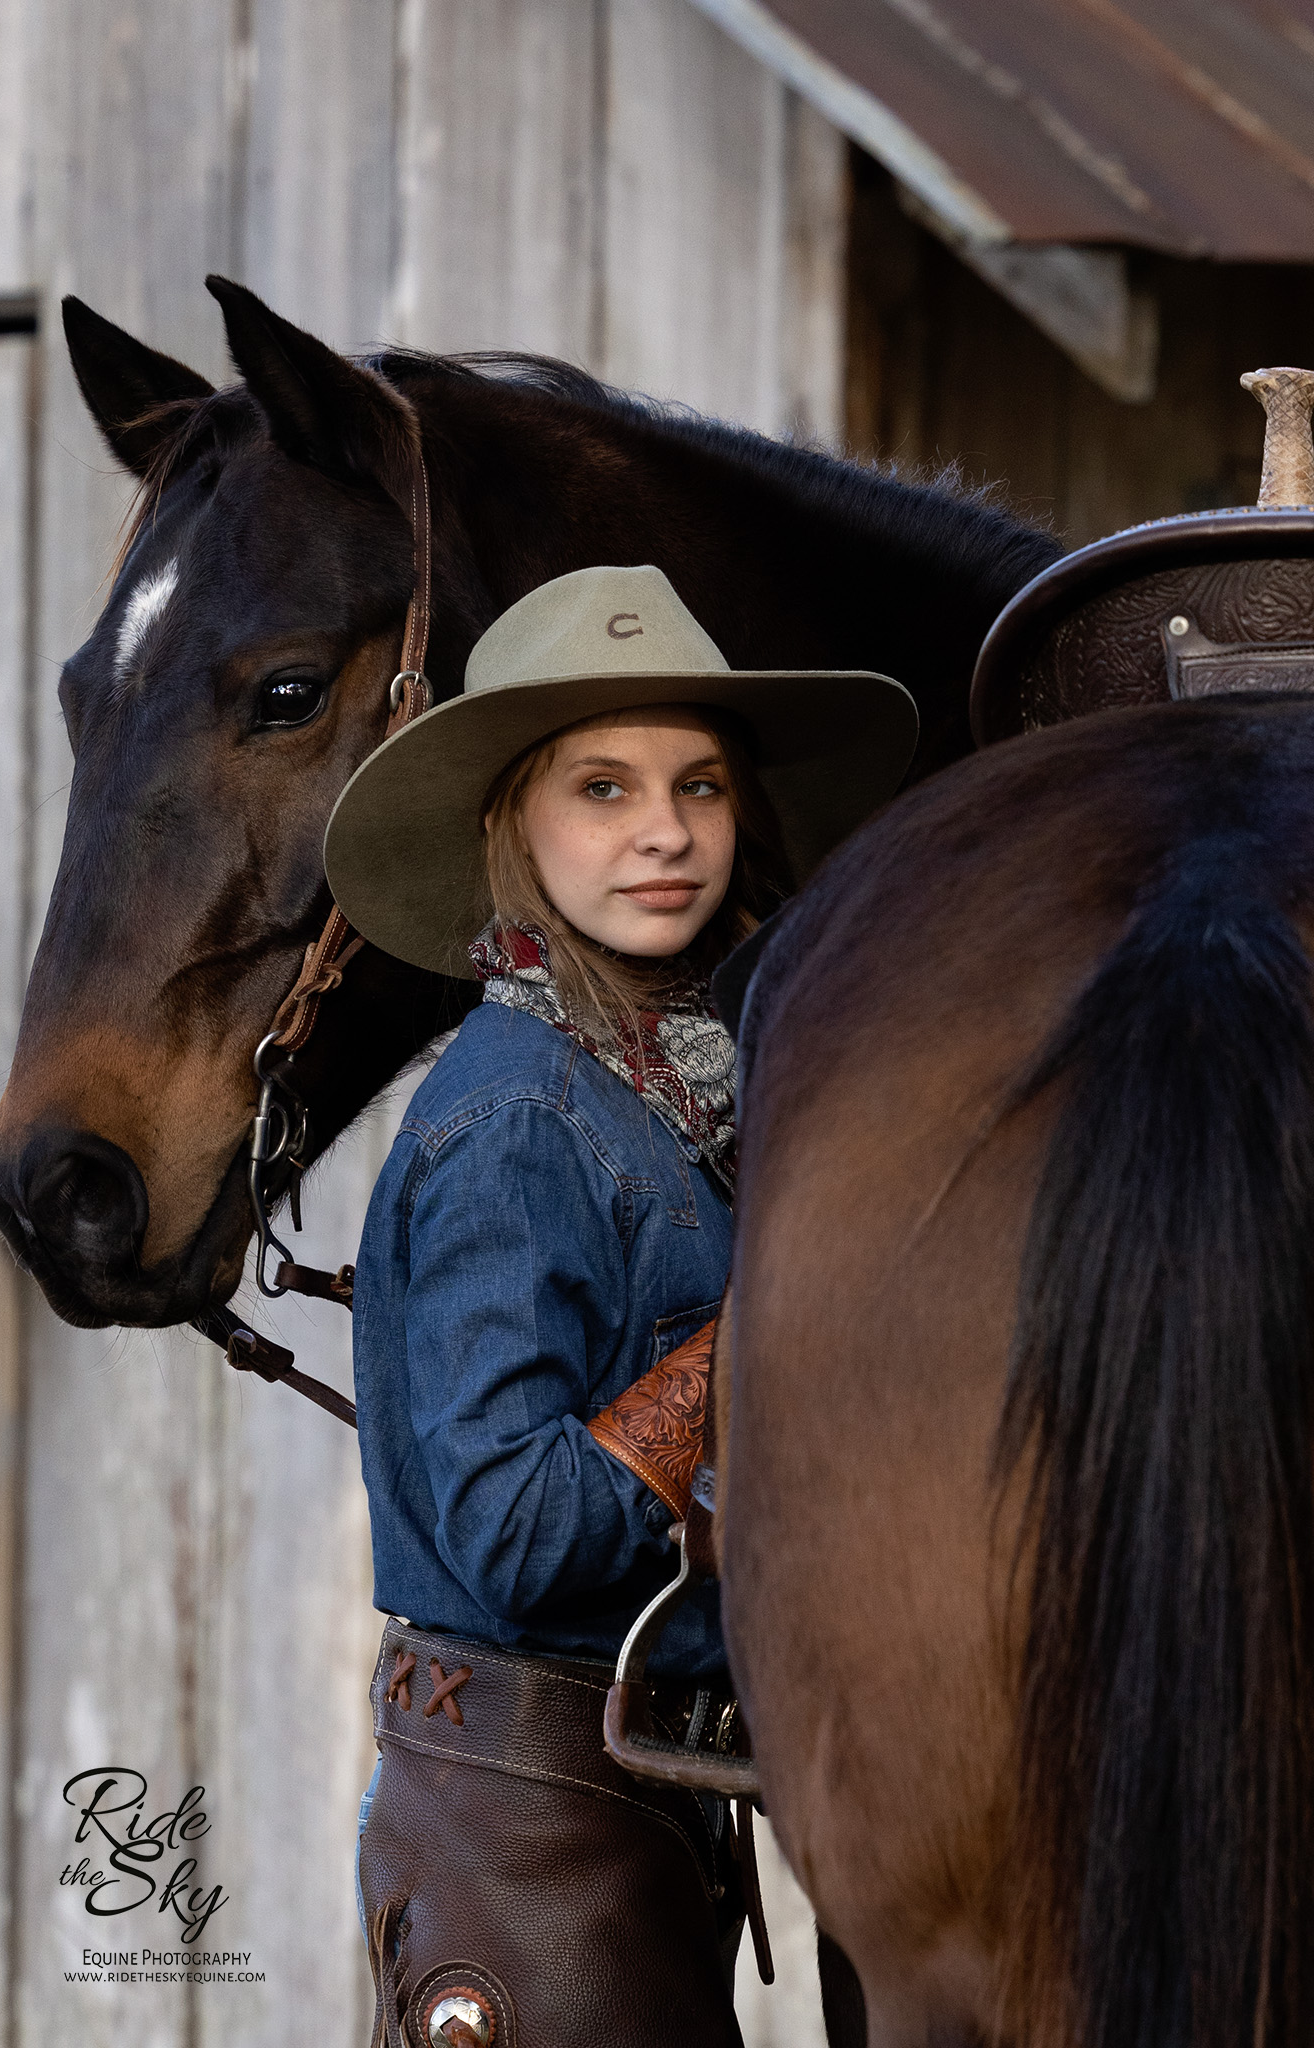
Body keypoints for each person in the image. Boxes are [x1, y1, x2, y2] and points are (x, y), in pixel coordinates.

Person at [322, 565, 916, 2048]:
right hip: (530, 1825)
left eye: (700, 785)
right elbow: (518, 1531)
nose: (667, 831)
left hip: (630, 1803)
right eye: (602, 786)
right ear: (505, 826)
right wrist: (778, 1312)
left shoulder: (670, 1089)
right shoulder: (518, 1115)